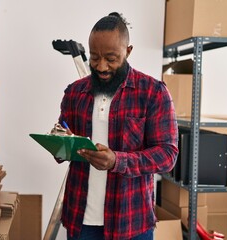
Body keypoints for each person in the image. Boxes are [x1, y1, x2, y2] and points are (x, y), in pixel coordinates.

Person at [56, 12, 179, 240]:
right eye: (94, 58)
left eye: (111, 58)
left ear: (128, 51)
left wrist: (117, 161)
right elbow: (64, 136)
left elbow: (167, 156)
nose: (101, 66)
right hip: (81, 219)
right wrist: (60, 143)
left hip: (131, 222)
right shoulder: (74, 92)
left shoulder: (153, 93)